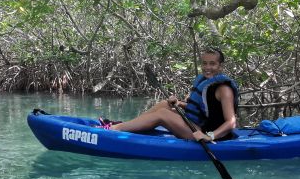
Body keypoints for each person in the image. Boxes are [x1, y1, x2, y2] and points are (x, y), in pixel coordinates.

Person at [101, 48, 238, 142]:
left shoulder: (224, 89)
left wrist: (210, 136)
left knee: (162, 114)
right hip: (196, 125)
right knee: (164, 105)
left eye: (212, 64)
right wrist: (179, 104)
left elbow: (231, 122)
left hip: (204, 133)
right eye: (204, 63)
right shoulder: (206, 82)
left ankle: (114, 129)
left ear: (220, 66)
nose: (207, 67)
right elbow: (200, 110)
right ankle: (127, 125)